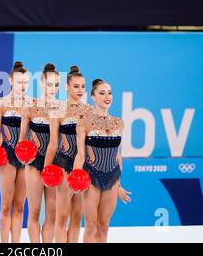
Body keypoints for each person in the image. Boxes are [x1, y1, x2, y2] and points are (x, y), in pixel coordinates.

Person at [74, 79, 132, 243]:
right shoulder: (84, 122)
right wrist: (76, 180)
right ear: (93, 97)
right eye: (102, 93)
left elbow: (117, 156)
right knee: (91, 226)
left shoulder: (118, 123)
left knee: (104, 226)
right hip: (91, 177)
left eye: (110, 93)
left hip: (112, 179)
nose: (107, 96)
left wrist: (119, 185)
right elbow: (80, 155)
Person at [44, 66, 93, 243]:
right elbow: (53, 143)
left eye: (83, 86)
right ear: (67, 87)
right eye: (76, 86)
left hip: (83, 169)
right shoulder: (57, 109)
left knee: (77, 218)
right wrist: (46, 170)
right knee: (62, 216)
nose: (80, 90)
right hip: (64, 165)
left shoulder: (89, 111)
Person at [0, 61, 34, 243]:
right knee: (6, 205)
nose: (23, 86)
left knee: (20, 206)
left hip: (27, 158)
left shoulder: (33, 104)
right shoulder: (1, 104)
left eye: (26, 82)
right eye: (19, 82)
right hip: (7, 156)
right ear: (10, 81)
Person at [19, 63, 61, 243]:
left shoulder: (61, 107)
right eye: (50, 84)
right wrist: (24, 154)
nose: (53, 89)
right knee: (34, 212)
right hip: (34, 165)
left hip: (54, 165)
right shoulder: (30, 107)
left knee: (52, 214)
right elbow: (21, 139)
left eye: (57, 85)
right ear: (42, 83)